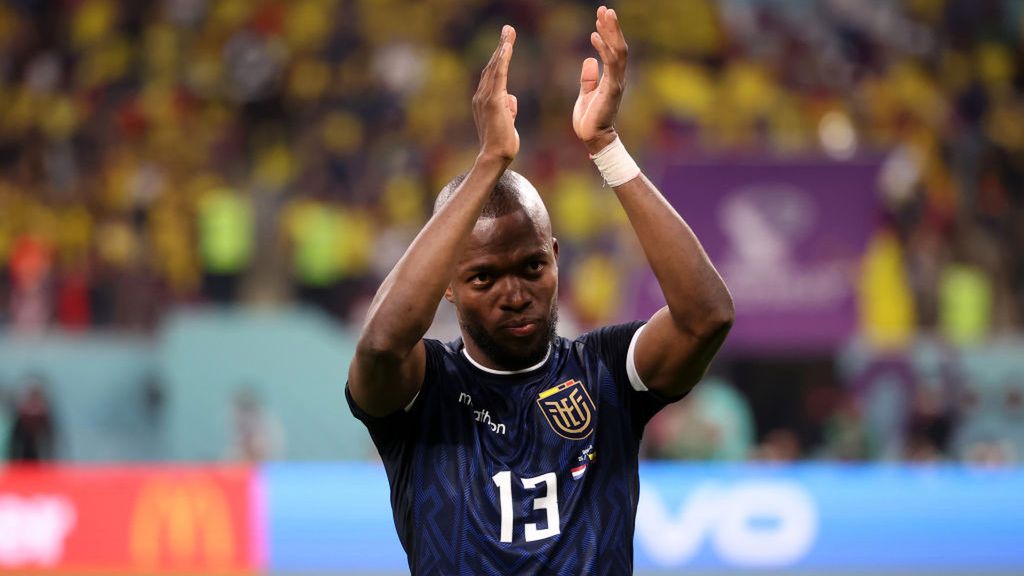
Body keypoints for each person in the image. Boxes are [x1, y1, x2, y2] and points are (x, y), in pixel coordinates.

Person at [346, 7, 733, 574]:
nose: (515, 294)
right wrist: (488, 162)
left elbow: (707, 317)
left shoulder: (605, 373)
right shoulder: (423, 389)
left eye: (531, 267)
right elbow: (379, 345)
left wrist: (606, 146)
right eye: (484, 277)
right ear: (446, 286)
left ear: (554, 256)